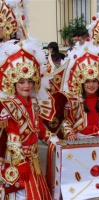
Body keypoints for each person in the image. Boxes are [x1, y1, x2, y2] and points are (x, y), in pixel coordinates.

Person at [0, 38, 59, 199]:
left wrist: (54, 140)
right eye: (21, 81)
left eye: (30, 81)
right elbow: (12, 137)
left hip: (33, 161)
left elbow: (39, 129)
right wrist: (20, 162)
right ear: (13, 82)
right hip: (17, 162)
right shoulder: (9, 106)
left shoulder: (34, 103)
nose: (26, 85)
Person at [55, 41, 99, 140]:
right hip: (80, 142)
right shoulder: (75, 101)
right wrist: (70, 133)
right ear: (82, 83)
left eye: (94, 81)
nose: (91, 85)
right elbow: (66, 123)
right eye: (87, 81)